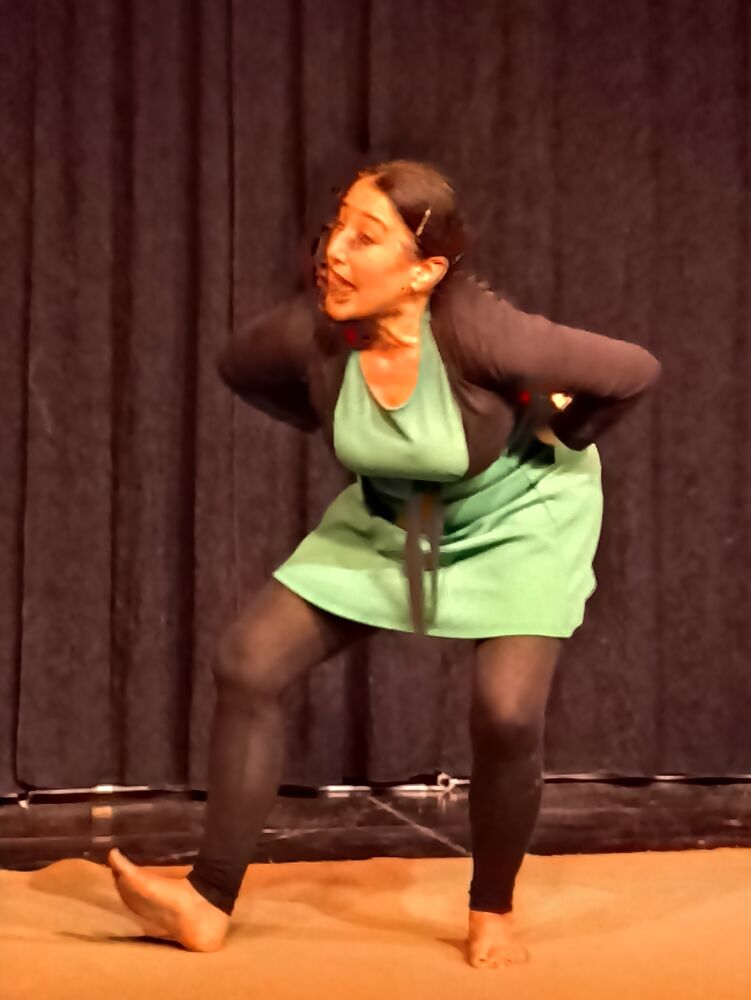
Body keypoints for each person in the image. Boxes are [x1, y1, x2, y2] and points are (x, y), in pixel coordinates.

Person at [108, 160, 661, 969]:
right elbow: (236, 366)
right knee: (248, 661)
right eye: (336, 225)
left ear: (423, 271)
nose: (333, 250)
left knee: (506, 713)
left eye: (364, 237)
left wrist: (560, 432)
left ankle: (492, 908)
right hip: (402, 512)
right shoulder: (314, 336)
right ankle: (206, 899)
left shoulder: (483, 334)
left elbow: (633, 371)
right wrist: (342, 419)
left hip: (519, 515)